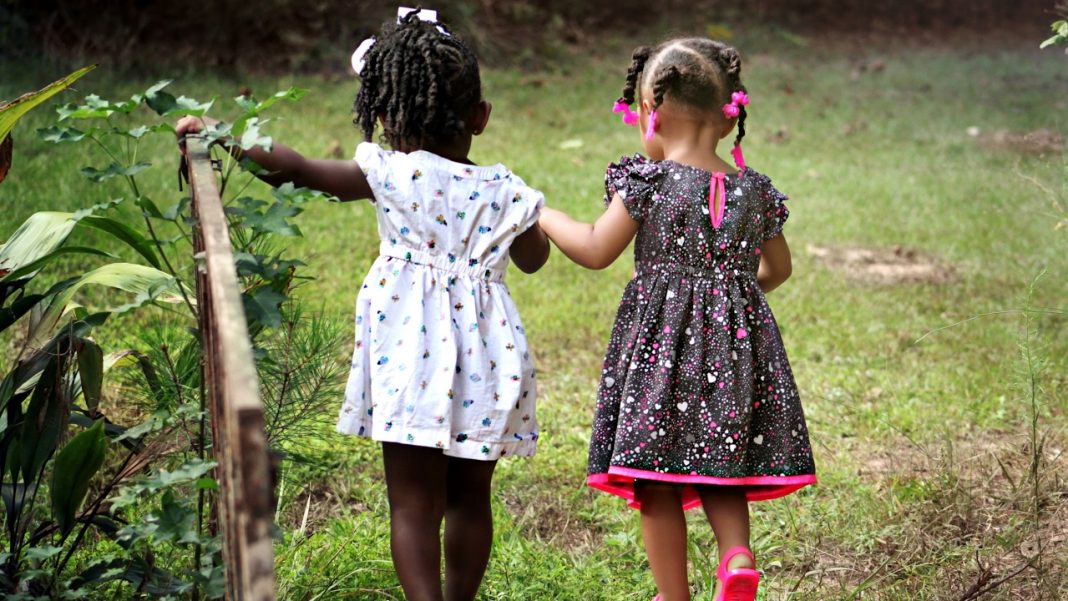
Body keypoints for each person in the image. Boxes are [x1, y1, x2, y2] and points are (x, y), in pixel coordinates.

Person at [177, 9, 549, 601]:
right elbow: (534, 258)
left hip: (408, 357)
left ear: (384, 116)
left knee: (412, 502)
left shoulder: (389, 174)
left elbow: (294, 169)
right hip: (486, 360)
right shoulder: (504, 189)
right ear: (481, 117)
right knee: (470, 499)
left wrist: (225, 133)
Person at [537, 38, 816, 601]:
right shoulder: (754, 190)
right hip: (734, 354)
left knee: (655, 478)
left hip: (659, 357)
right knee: (720, 463)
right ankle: (736, 556)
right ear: (725, 114)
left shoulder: (648, 181)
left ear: (651, 115)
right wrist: (730, 300)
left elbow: (595, 249)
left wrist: (542, 214)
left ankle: (673, 595)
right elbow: (778, 269)